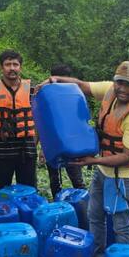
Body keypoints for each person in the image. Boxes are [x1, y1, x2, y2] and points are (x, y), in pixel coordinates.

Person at [38, 61, 129, 257]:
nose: (122, 88)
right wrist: (55, 80)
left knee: (121, 223)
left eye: (128, 85)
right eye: (119, 82)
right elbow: (81, 85)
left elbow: (126, 156)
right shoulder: (111, 91)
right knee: (95, 214)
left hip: (124, 176)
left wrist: (92, 161)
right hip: (103, 171)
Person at [0, 50, 38, 198]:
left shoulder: (31, 90)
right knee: (0, 193)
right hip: (1, 152)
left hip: (27, 151)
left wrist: (37, 144)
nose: (12, 68)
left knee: (29, 193)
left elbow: (38, 120)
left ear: (21, 67)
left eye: (15, 64)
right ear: (1, 67)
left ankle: (26, 220)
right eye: (8, 64)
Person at [43, 64, 86, 199]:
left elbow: (81, 121)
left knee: (77, 180)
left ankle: (83, 205)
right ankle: (58, 206)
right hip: (53, 145)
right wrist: (40, 148)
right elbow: (42, 123)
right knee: (55, 180)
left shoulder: (75, 95)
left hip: (70, 146)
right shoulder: (46, 96)